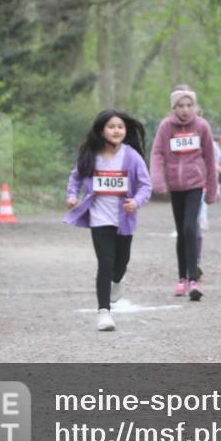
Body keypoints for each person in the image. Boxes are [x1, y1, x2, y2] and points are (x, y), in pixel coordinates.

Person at [64, 110, 152, 332]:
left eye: (120, 127)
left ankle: (118, 280)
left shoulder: (131, 156)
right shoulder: (91, 156)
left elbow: (145, 185)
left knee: (120, 264)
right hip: (99, 218)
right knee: (105, 263)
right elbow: (75, 177)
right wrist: (72, 195)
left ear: (125, 131)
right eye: (111, 127)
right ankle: (104, 312)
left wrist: (136, 202)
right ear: (101, 130)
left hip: (124, 220)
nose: (116, 130)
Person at [150, 86, 218, 301]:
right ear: (174, 107)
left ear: (195, 106)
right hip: (175, 185)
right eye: (180, 106)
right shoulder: (166, 126)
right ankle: (181, 278)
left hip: (195, 184)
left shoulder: (202, 126)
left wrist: (212, 190)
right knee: (181, 232)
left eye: (189, 105)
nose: (185, 110)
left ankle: (193, 280)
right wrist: (158, 180)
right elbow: (157, 153)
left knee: (190, 227)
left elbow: (210, 158)